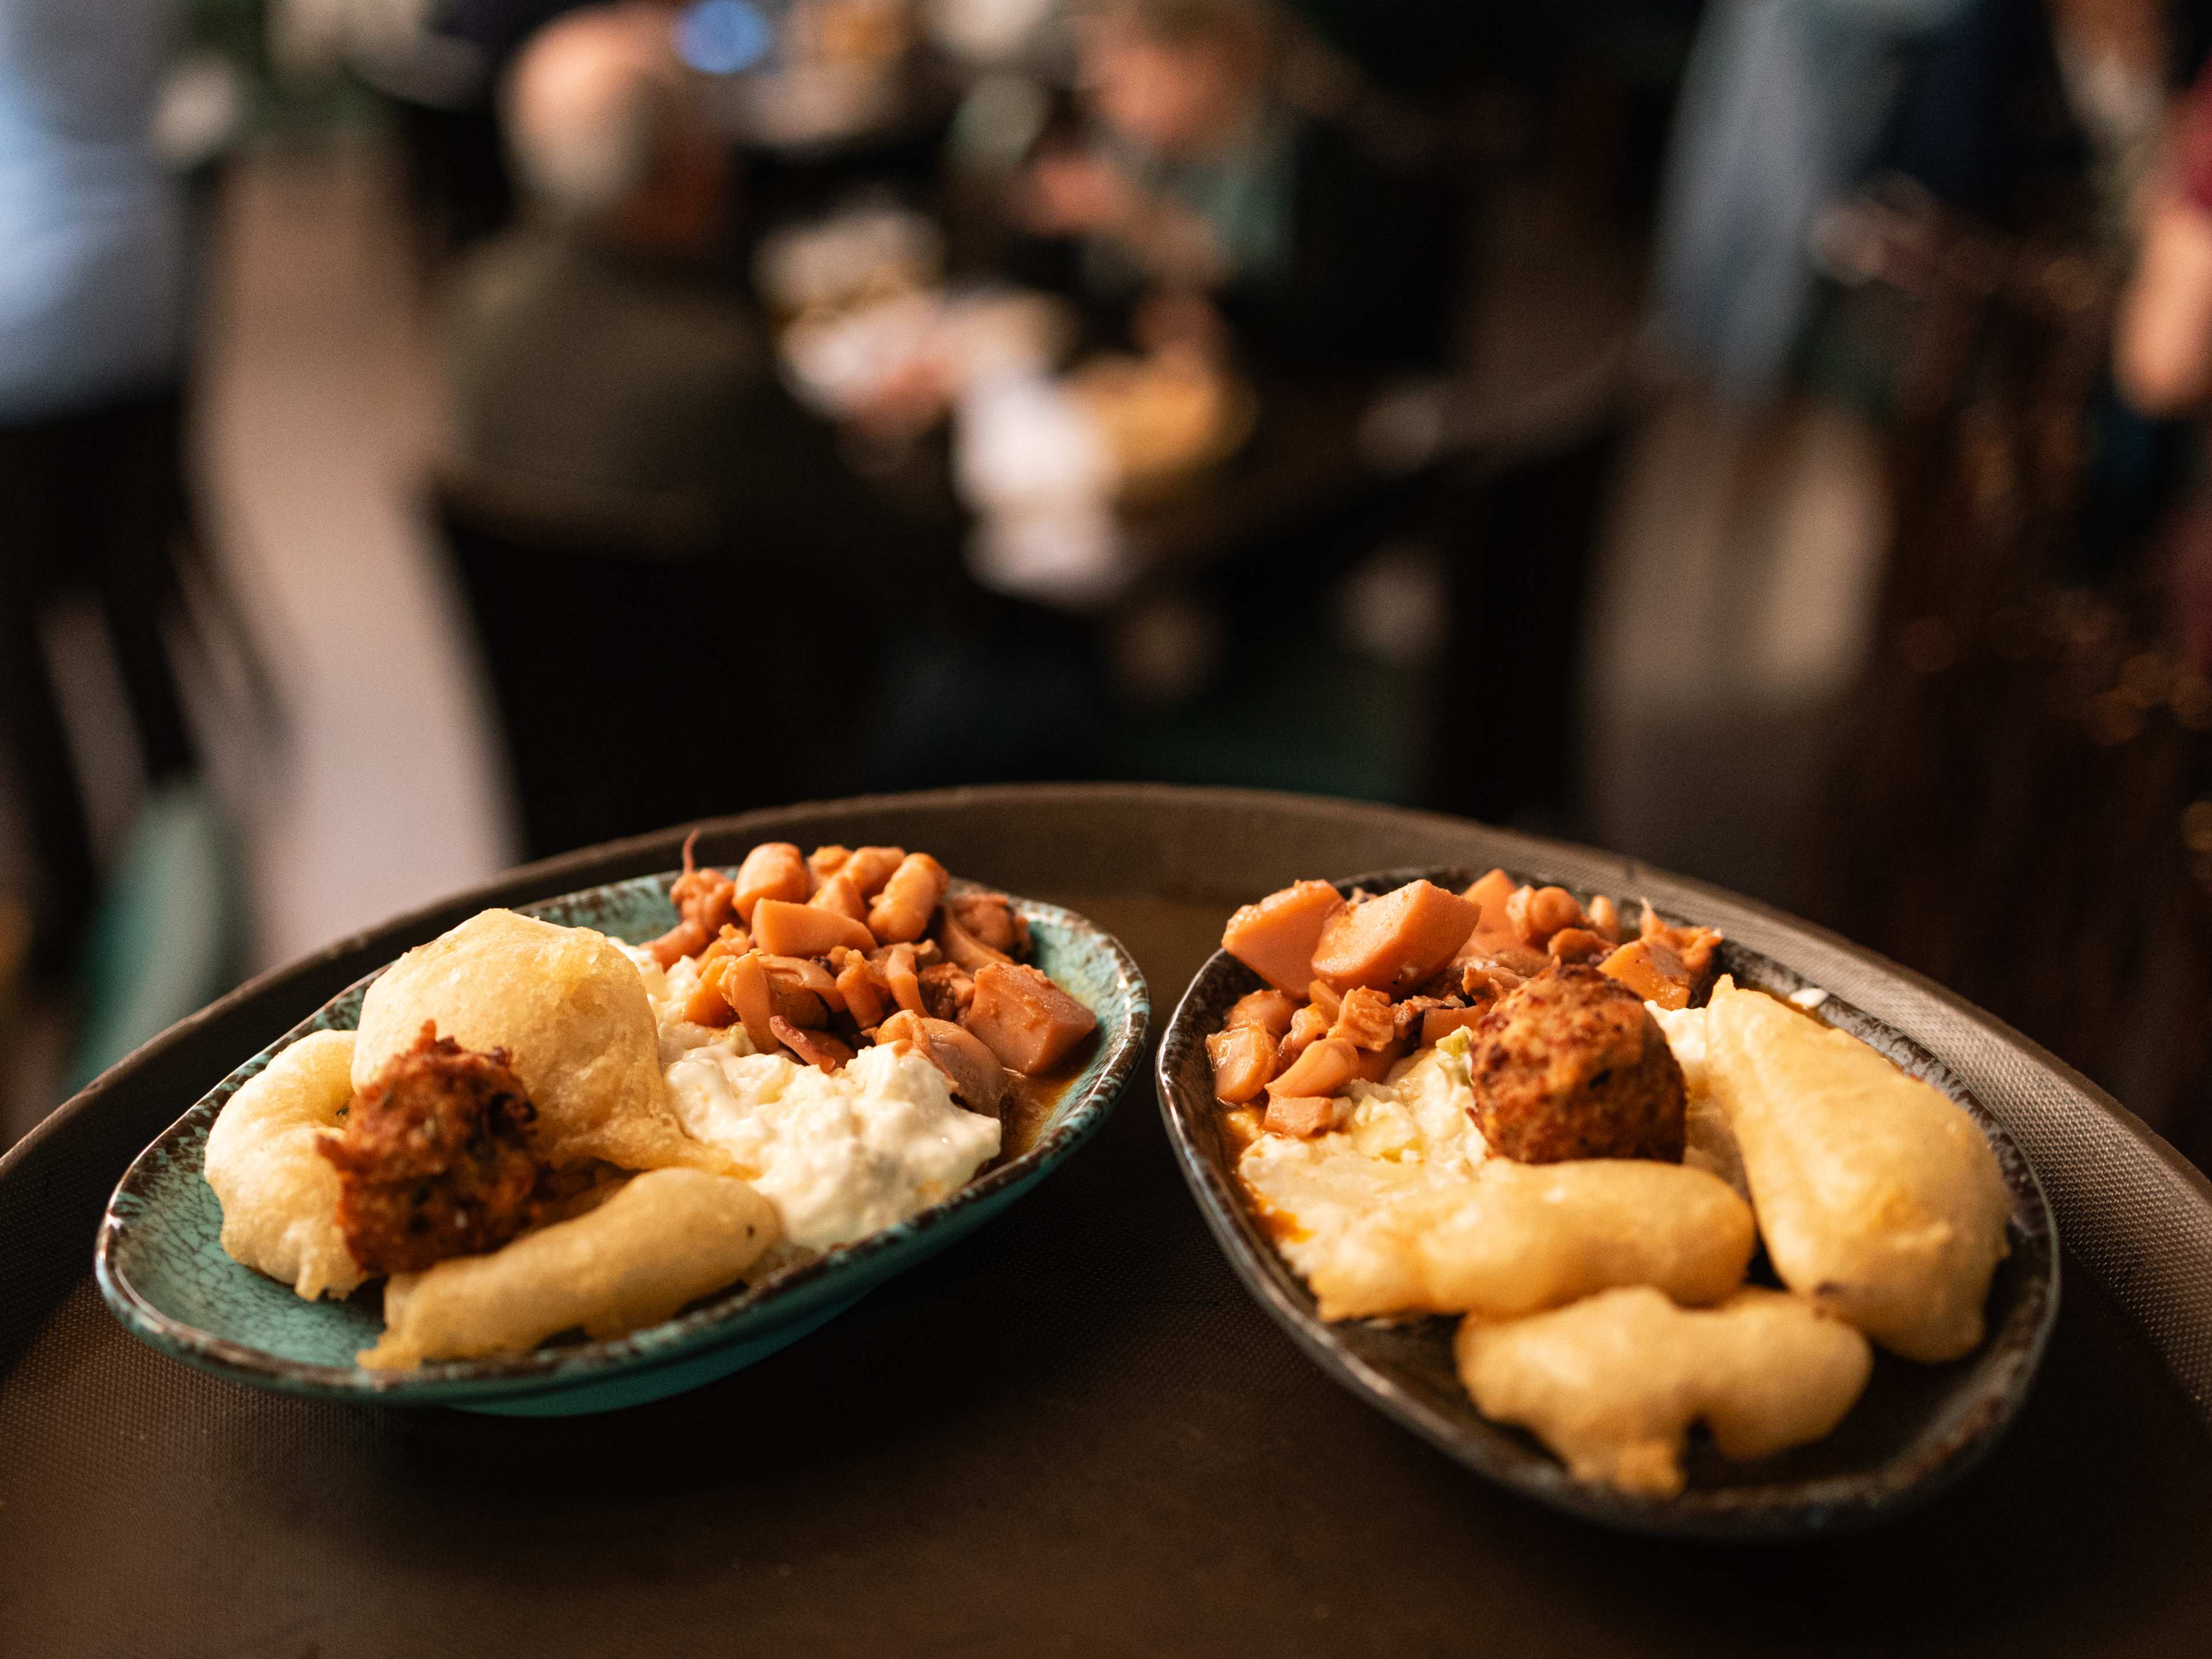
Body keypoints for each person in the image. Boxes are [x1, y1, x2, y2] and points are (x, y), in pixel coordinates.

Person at [438, 2, 892, 855]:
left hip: (567, 758)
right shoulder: (714, 374)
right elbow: (885, 565)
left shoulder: (476, 304)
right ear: (679, 169)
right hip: (763, 789)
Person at [0, 0, 202, 974]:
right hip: (144, 283)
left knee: (13, 627)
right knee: (131, 596)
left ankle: (67, 896)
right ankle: (190, 838)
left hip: (22, 317)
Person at [1012, 0, 1449, 372]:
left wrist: (1140, 222)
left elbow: (1337, 327)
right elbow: (1113, 295)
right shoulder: (1168, 155)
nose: (1103, 97)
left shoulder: (1324, 153)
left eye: (1122, 74)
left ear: (1205, 60)